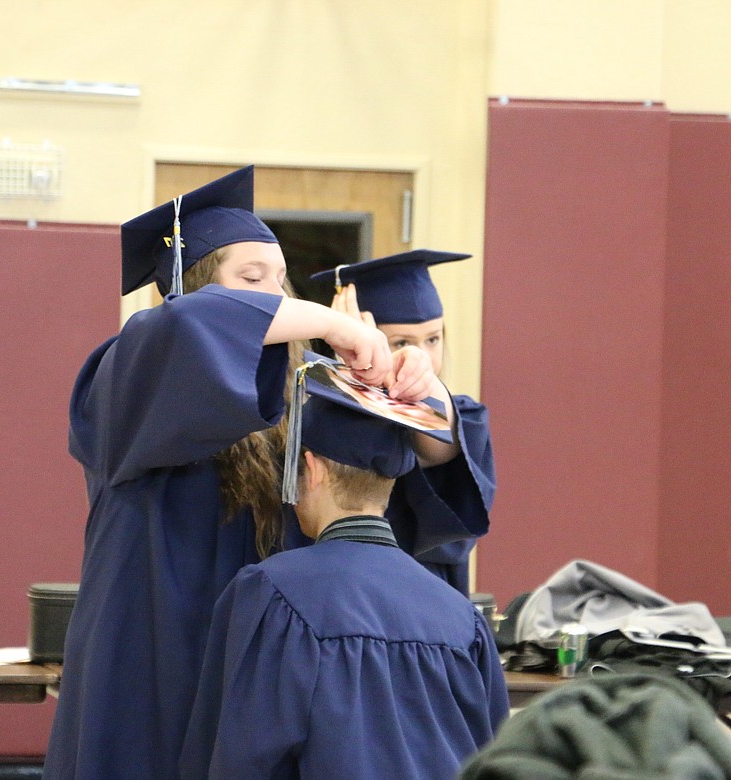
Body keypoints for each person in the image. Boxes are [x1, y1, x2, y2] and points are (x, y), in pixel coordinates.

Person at [43, 166, 440, 779]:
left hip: (260, 659)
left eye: (281, 281)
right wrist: (330, 322)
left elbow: (398, 469)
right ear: (194, 288)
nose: (278, 297)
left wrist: (417, 385)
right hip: (153, 653)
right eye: (252, 280)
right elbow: (186, 330)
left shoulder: (301, 386)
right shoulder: (130, 372)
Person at [180, 378, 509, 779]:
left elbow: (241, 756)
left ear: (312, 469)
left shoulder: (274, 595)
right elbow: (495, 758)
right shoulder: (462, 619)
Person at [309, 249, 497, 596]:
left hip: (424, 604)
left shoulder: (464, 418)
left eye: (433, 338)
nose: (422, 357)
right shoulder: (317, 421)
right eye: (400, 342)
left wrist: (427, 391)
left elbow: (439, 449)